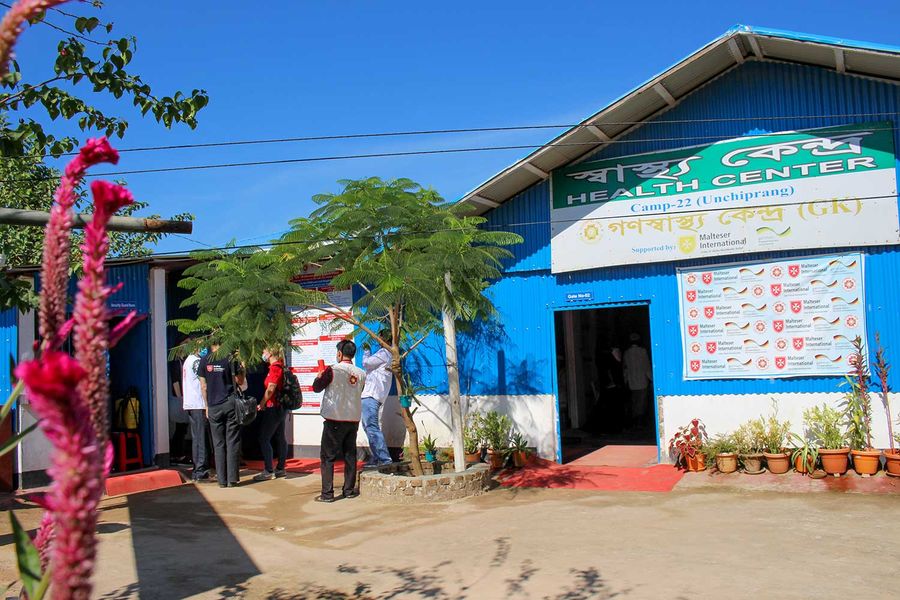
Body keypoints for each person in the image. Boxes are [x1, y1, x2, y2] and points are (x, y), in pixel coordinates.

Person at [312, 339, 366, 503]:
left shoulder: (332, 370)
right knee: (350, 455)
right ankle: (348, 490)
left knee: (328, 457)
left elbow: (317, 388)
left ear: (340, 353)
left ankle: (327, 494)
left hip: (335, 419)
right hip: (353, 419)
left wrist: (319, 377)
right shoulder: (361, 373)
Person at [198, 344, 245, 488]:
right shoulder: (230, 358)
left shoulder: (204, 360)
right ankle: (232, 479)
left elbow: (203, 386)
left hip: (213, 405)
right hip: (230, 403)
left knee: (218, 444)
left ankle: (222, 481)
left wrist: (206, 406)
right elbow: (240, 381)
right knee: (232, 441)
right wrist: (242, 367)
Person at [253, 346, 288, 481]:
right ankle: (280, 468)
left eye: (264, 351)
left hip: (274, 407)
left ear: (270, 353)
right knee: (280, 437)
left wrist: (262, 403)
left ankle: (268, 470)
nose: (262, 353)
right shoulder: (280, 367)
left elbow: (271, 388)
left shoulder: (275, 368)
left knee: (264, 438)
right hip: (280, 407)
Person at [360, 330, 393, 467]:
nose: (377, 339)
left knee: (371, 427)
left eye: (379, 337)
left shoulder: (384, 353)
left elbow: (366, 363)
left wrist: (366, 350)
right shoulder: (388, 354)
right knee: (369, 427)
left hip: (371, 395)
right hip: (373, 395)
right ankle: (376, 458)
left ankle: (384, 459)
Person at [182, 344, 210, 481]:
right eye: (201, 346)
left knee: (197, 437)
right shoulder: (196, 362)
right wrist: (207, 404)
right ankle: (200, 470)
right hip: (198, 403)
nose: (204, 349)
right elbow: (203, 383)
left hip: (191, 403)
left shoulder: (188, 360)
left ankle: (198, 468)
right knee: (200, 438)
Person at [622, 333, 652, 426]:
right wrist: (651, 379)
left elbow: (625, 369)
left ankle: (635, 421)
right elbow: (647, 366)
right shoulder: (643, 351)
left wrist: (625, 380)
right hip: (642, 381)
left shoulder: (627, 353)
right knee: (642, 402)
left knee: (634, 402)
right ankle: (640, 421)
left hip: (632, 382)